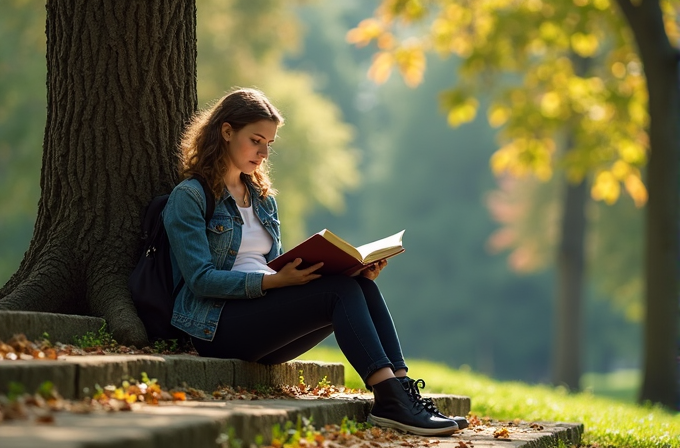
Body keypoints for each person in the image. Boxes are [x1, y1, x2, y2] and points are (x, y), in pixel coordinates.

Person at [162, 87, 468, 436]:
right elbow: (200, 279)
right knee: (339, 292)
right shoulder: (190, 196)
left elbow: (273, 263)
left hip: (261, 316)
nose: (263, 153)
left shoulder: (262, 199)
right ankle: (390, 401)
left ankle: (402, 391)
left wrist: (348, 268)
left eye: (269, 144)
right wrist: (272, 283)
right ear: (227, 131)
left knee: (356, 285)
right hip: (214, 327)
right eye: (256, 140)